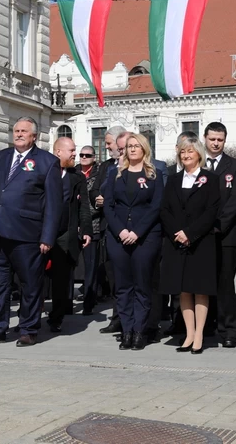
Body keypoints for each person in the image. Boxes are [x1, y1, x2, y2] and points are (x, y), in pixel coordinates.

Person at [0, 117, 62, 347]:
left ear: (34, 136)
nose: (19, 134)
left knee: (30, 285)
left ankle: (28, 329)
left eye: (24, 131)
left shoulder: (47, 162)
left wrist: (47, 236)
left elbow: (53, 204)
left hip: (27, 235)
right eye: (16, 131)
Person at [159, 136, 220, 354]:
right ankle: (189, 333)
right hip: (176, 242)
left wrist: (190, 233)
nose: (186, 155)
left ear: (199, 155)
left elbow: (211, 212)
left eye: (190, 152)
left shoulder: (210, 179)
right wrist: (178, 233)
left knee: (200, 289)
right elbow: (164, 209)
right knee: (183, 290)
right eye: (183, 152)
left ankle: (200, 334)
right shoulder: (174, 180)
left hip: (200, 242)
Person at [103, 133, 163, 350]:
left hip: (145, 237)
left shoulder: (153, 175)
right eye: (129, 146)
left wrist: (137, 232)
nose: (133, 149)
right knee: (123, 287)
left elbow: (156, 207)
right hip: (118, 237)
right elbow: (108, 205)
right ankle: (126, 330)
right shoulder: (115, 175)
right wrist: (120, 231)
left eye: (137, 146)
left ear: (144, 149)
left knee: (142, 286)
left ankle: (139, 331)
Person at [202, 122, 236, 349]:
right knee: (202, 282)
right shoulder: (196, 163)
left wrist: (217, 226)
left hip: (226, 234)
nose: (216, 143)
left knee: (225, 284)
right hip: (200, 235)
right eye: (212, 139)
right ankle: (206, 326)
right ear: (205, 138)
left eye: (220, 139)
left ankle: (229, 330)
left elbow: (235, 200)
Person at [47, 137, 91, 333]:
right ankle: (28, 315)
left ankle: (57, 316)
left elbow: (83, 207)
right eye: (72, 150)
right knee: (33, 276)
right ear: (58, 152)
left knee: (61, 277)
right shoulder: (46, 172)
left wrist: (86, 229)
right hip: (43, 231)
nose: (75, 154)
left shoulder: (77, 176)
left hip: (66, 233)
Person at [93, 126, 126, 335]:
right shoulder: (106, 166)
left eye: (108, 143)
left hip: (127, 228)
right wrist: (98, 200)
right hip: (108, 228)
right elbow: (95, 189)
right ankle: (116, 318)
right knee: (113, 277)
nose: (105, 147)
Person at [76, 145, 101, 315]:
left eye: (87, 155)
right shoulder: (74, 172)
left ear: (94, 157)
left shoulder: (99, 174)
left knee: (91, 267)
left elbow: (98, 202)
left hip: (93, 226)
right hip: (72, 225)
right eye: (81, 155)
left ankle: (88, 302)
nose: (84, 157)